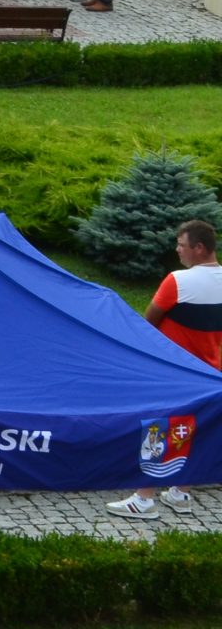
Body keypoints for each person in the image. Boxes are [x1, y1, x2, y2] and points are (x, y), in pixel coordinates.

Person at [109, 217, 220, 519]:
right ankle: (181, 493)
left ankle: (143, 499)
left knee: (159, 428)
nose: (177, 250)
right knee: (195, 430)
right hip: (211, 372)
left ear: (199, 248)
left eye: (182, 245)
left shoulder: (178, 281)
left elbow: (149, 323)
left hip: (174, 373)